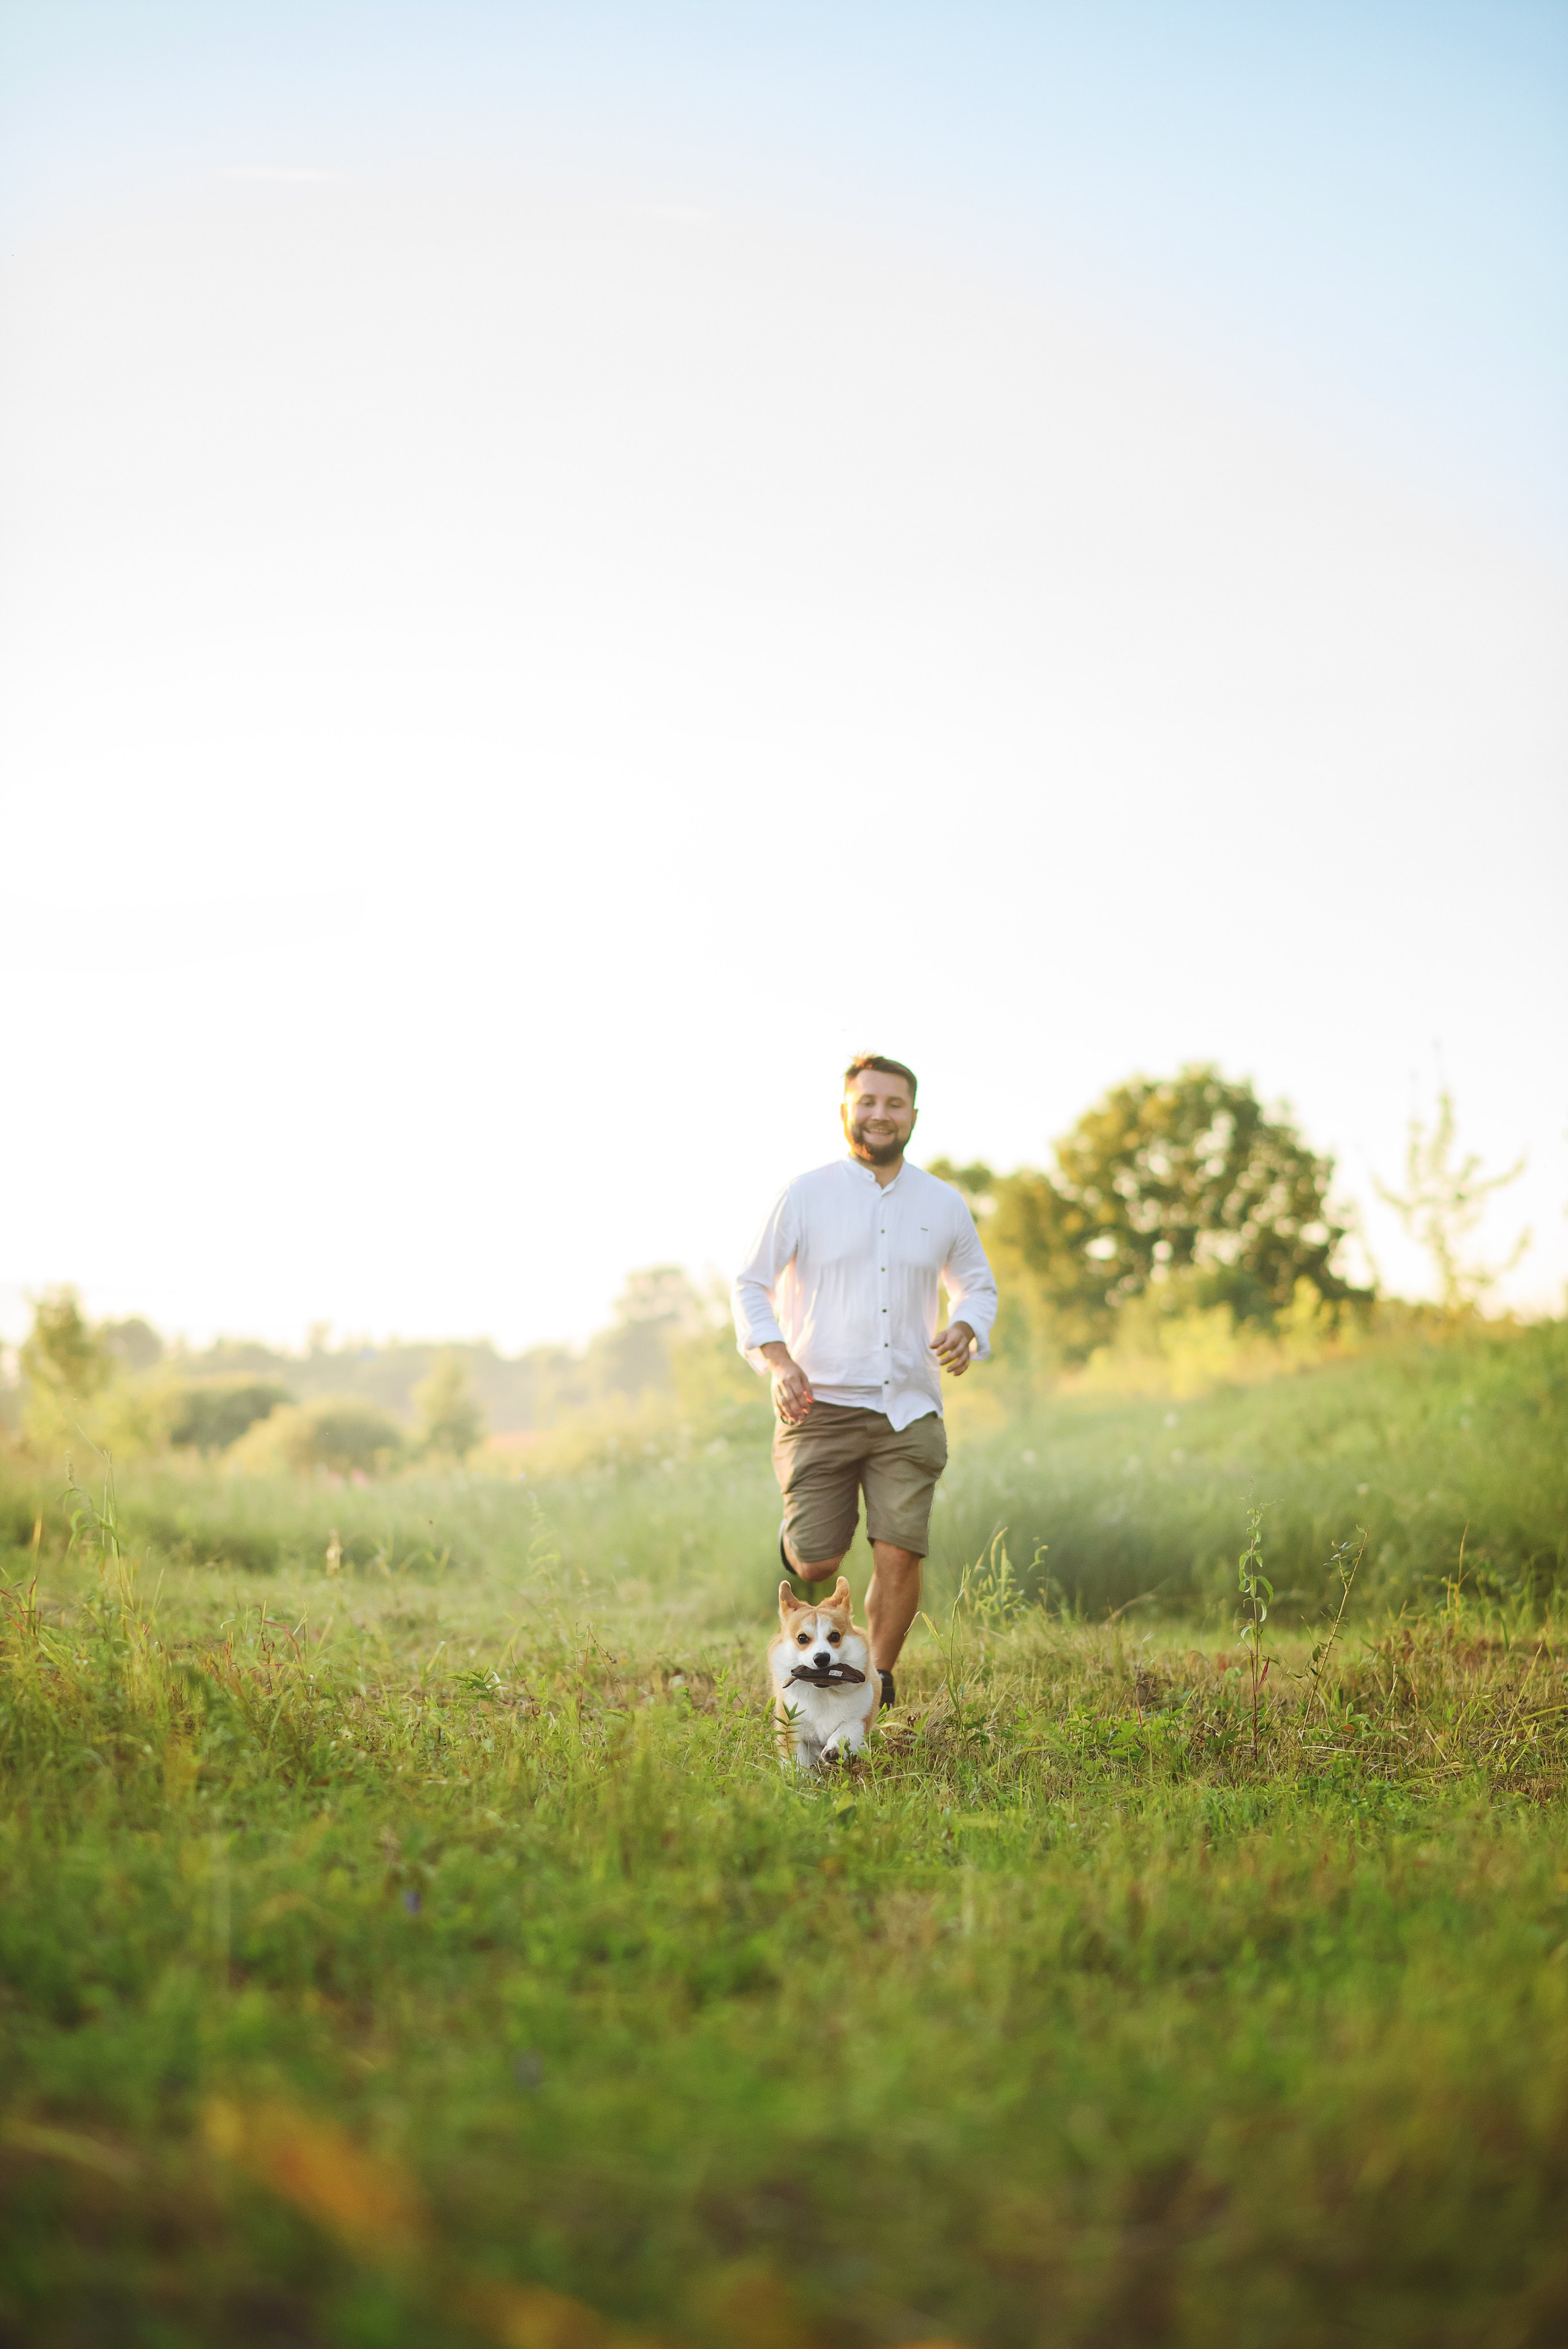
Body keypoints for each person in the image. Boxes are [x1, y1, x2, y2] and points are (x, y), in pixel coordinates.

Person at [732, 1054, 998, 1708]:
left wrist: (965, 1326)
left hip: (908, 1408)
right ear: (846, 1110)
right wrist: (778, 1360)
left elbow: (978, 1287)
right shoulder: (805, 1194)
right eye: (868, 1101)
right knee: (819, 1562)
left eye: (895, 1103)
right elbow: (750, 1284)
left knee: (899, 1554)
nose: (881, 1113)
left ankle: (873, 1680)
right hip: (816, 1402)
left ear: (912, 1115)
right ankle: (800, 1548)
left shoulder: (942, 1203)